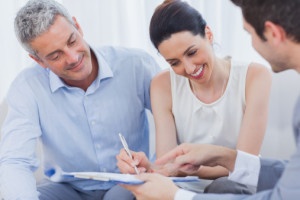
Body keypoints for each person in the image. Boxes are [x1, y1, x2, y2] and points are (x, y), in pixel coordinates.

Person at [121, 0, 300, 199]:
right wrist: (150, 167)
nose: (189, 68)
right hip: (183, 183)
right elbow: (168, 164)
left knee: (223, 186)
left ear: (208, 34)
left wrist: (180, 185)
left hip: (229, 187)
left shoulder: (255, 76)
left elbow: (257, 174)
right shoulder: (162, 84)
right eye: (174, 62)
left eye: (192, 52)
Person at [0, 0, 160, 199]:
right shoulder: (27, 87)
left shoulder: (137, 65)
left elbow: (176, 126)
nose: (73, 57)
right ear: (38, 60)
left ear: (77, 26)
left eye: (72, 41)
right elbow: (15, 160)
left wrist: (155, 168)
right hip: (66, 188)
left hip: (127, 183)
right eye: (56, 55)